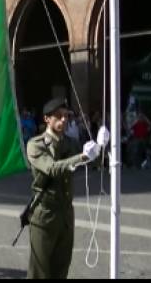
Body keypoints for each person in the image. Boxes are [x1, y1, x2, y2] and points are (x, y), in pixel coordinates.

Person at [24, 97, 108, 279]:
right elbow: (53, 168)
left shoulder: (70, 143)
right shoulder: (35, 145)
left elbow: (95, 164)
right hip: (44, 216)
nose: (64, 120)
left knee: (61, 271)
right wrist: (83, 157)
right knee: (39, 273)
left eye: (66, 116)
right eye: (58, 116)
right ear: (47, 119)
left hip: (66, 216)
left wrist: (100, 147)